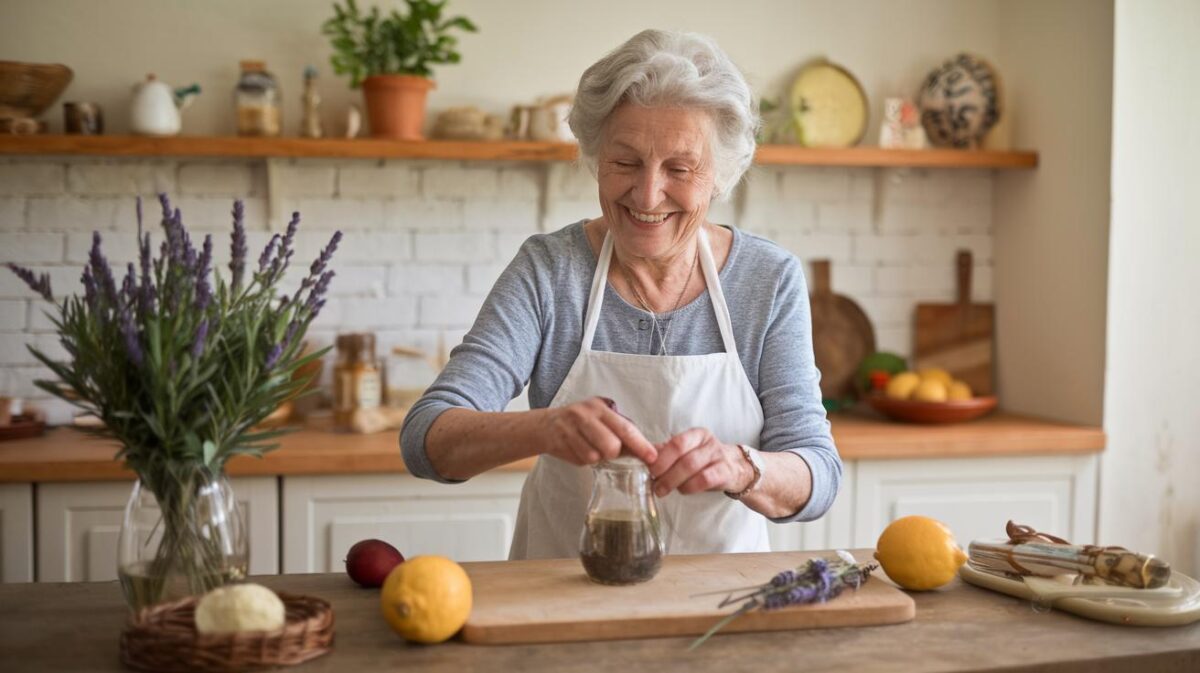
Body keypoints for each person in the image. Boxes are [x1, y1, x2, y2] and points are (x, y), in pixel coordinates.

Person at [400, 29, 840, 559]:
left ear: (720, 176)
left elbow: (817, 472)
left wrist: (742, 466)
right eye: (626, 163)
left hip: (720, 609)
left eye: (679, 168)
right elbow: (427, 439)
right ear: (595, 156)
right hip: (561, 599)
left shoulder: (767, 279)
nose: (648, 194)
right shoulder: (550, 271)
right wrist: (544, 427)